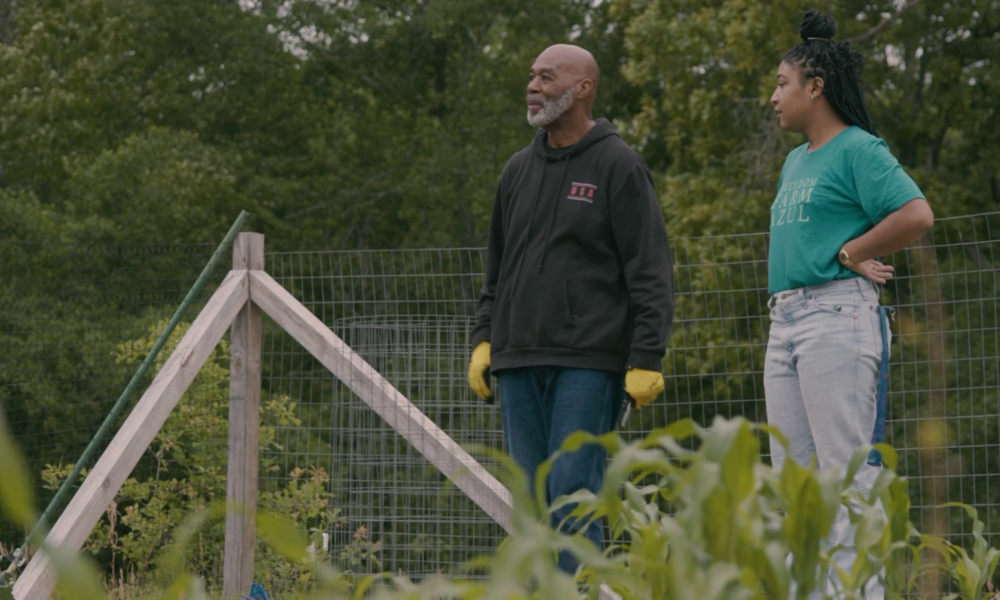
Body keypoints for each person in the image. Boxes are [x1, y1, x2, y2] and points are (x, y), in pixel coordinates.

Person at [466, 44, 674, 574]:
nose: (532, 86)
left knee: (573, 495)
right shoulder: (516, 171)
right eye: (531, 75)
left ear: (582, 88)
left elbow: (649, 269)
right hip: (515, 360)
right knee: (533, 504)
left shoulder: (619, 165)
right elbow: (496, 267)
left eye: (547, 77)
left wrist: (647, 354)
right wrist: (484, 339)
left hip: (589, 362)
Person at [765, 9, 934, 599]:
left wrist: (851, 251)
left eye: (782, 84)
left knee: (845, 472)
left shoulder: (859, 147)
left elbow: (916, 214)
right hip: (784, 320)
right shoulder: (794, 160)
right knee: (794, 481)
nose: (773, 97)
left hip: (836, 318)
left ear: (815, 86)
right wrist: (848, 250)